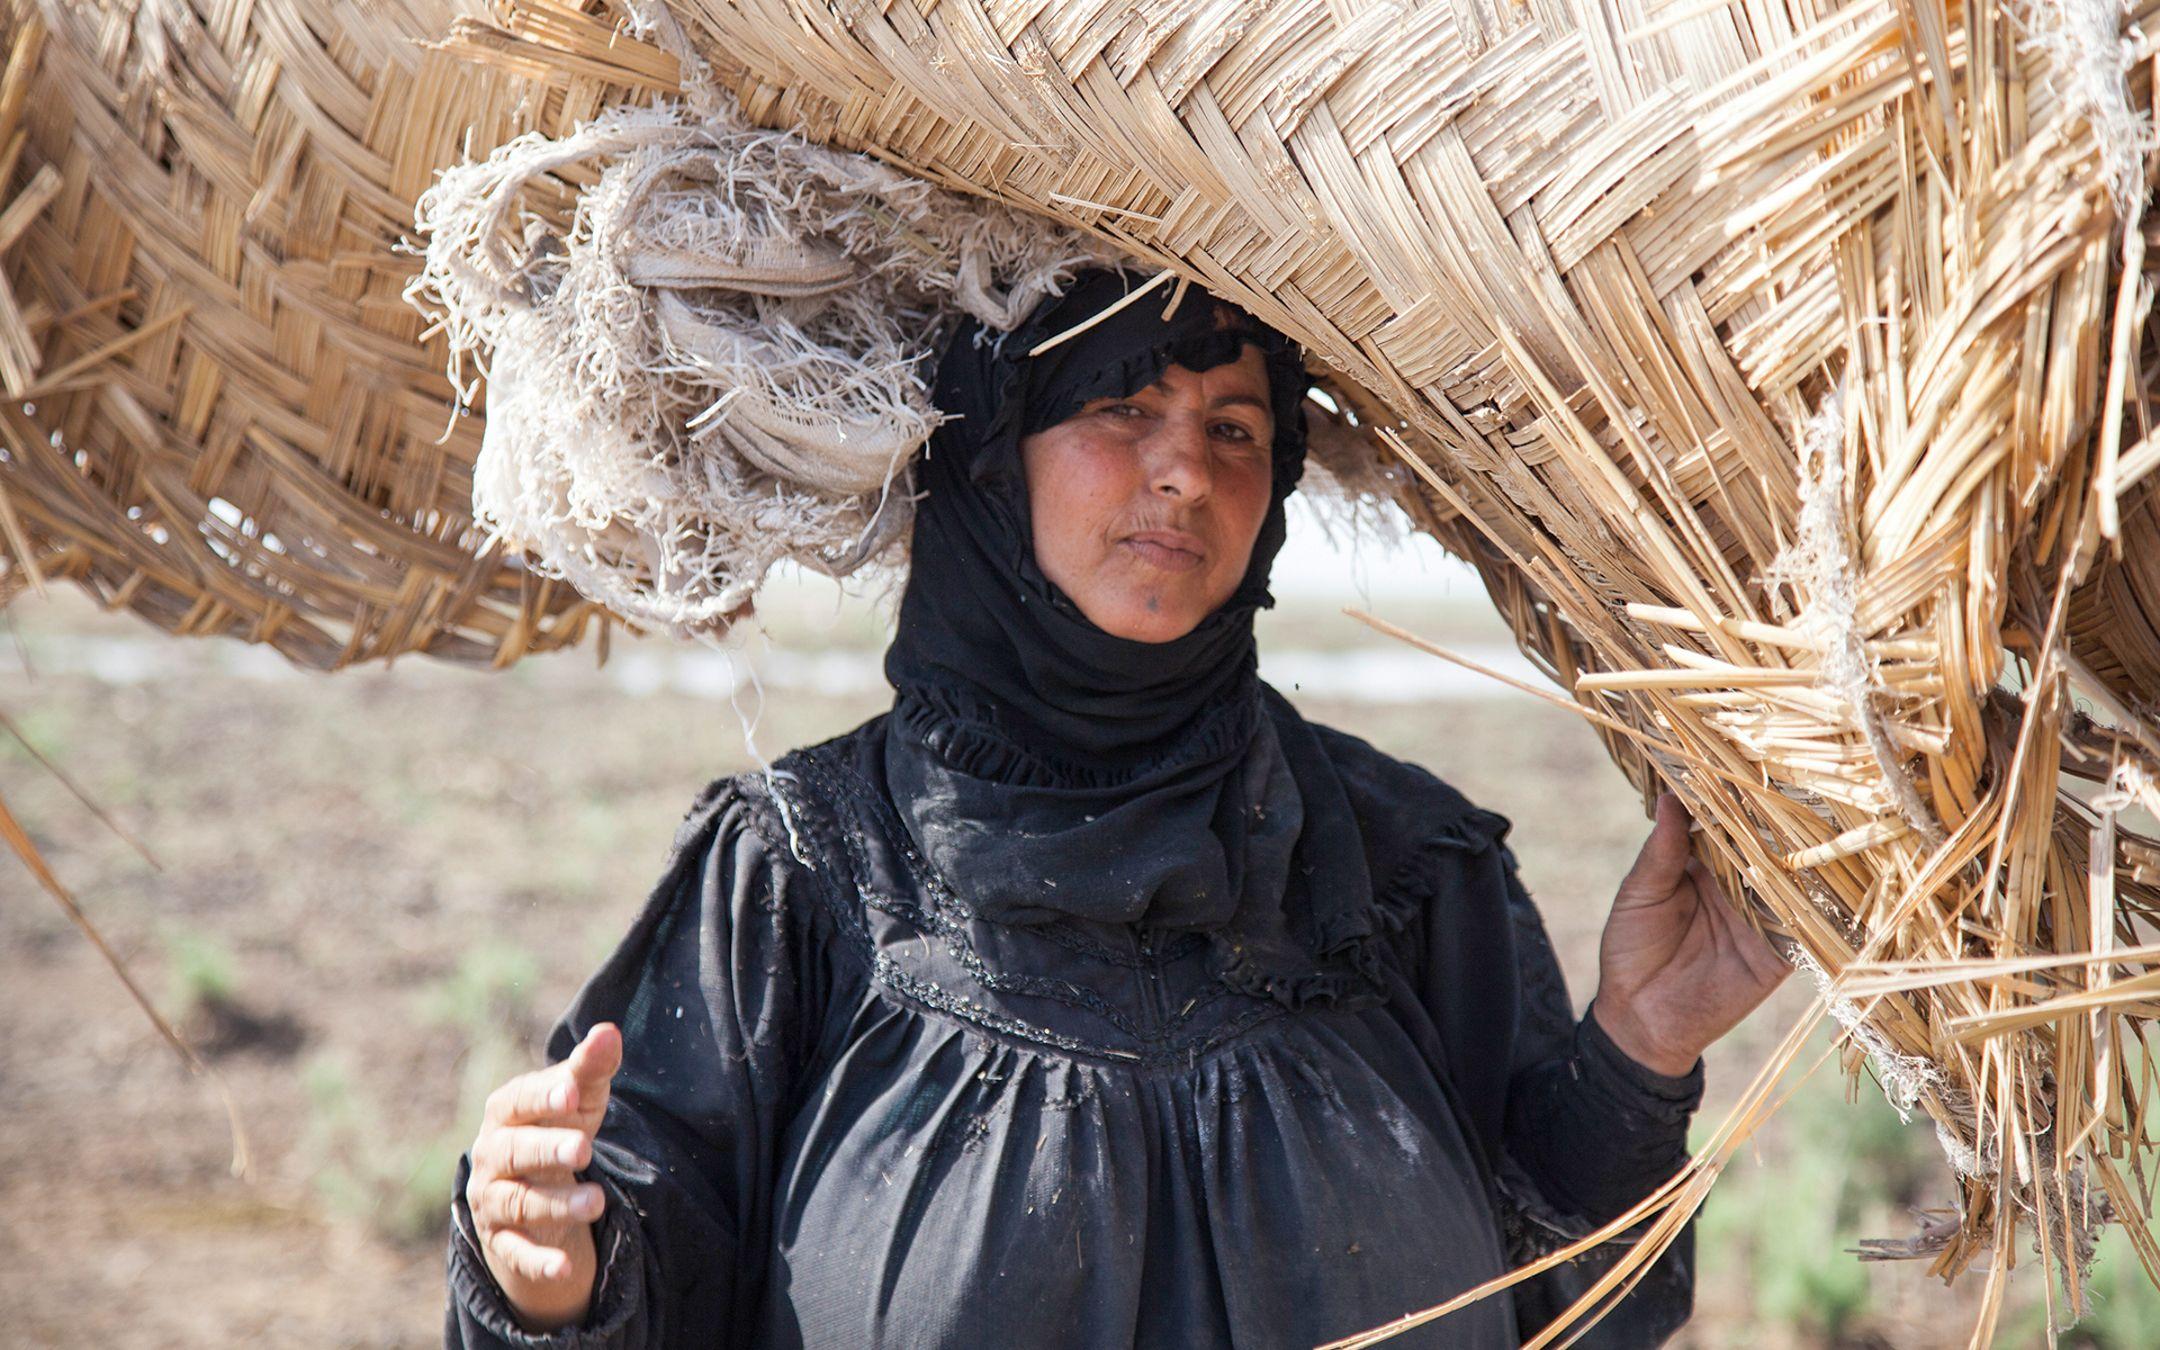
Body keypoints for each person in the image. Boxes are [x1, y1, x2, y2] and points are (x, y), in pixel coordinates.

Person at [443, 269, 1791, 1348]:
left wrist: (1637, 1049)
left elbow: (1571, 1307)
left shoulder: (1400, 865)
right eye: (1118, 408)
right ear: (986, 455)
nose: (1186, 474)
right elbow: (627, 1254)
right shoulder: (799, 876)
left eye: (1235, 428)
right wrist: (547, 1266)